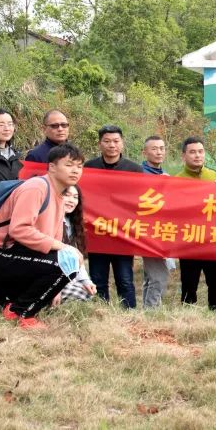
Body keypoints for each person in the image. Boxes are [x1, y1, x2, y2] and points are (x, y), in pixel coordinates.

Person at [0, 144, 86, 328]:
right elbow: (19, 230)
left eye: (79, 166)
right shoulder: (37, 187)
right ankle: (20, 312)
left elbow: (52, 238)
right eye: (69, 165)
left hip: (15, 255)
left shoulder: (59, 195)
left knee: (67, 260)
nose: (75, 171)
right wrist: (65, 248)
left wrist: (54, 288)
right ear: (52, 167)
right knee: (67, 258)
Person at [83, 125, 142, 308]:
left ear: (122, 143)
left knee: (124, 279)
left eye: (116, 141)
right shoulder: (89, 167)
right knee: (98, 278)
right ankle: (101, 312)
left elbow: (141, 201)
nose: (112, 145)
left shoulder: (134, 169)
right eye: (107, 141)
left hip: (122, 235)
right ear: (100, 144)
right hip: (97, 233)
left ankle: (129, 312)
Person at [175, 136, 216, 310]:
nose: (197, 155)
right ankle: (188, 316)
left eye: (200, 151)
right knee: (189, 283)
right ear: (184, 156)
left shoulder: (214, 177)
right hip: (189, 241)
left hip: (213, 240)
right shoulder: (177, 180)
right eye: (192, 152)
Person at [139, 135, 173, 308]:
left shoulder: (163, 173)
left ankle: (147, 311)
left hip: (162, 230)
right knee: (159, 276)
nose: (159, 152)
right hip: (146, 231)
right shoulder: (139, 173)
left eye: (162, 148)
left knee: (151, 276)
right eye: (154, 149)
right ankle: (152, 311)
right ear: (145, 152)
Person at [57, 185, 97, 302]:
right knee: (81, 294)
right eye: (67, 195)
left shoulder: (72, 223)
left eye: (75, 197)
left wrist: (86, 281)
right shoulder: (50, 220)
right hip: (46, 274)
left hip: (64, 275)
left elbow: (76, 259)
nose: (71, 200)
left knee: (88, 292)